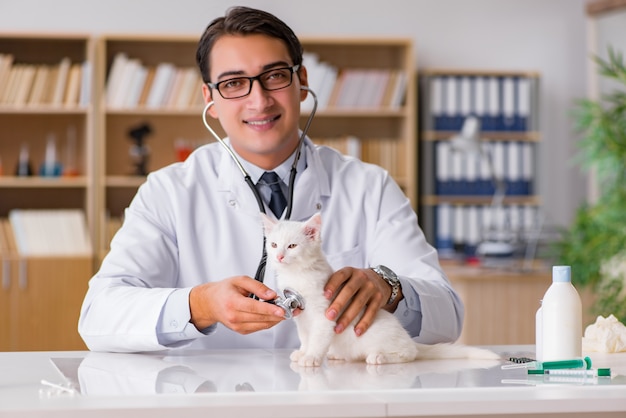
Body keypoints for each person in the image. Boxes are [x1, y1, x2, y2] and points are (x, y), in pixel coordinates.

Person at [78, 6, 464, 352]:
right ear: (209, 100)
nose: (259, 100)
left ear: (302, 81)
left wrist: (389, 287)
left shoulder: (369, 186)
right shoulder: (168, 192)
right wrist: (200, 304)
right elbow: (98, 316)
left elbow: (447, 314)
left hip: (335, 400)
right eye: (233, 83)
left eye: (275, 76)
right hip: (210, 401)